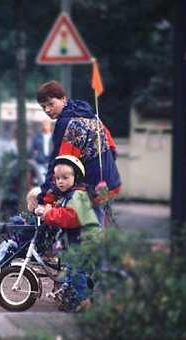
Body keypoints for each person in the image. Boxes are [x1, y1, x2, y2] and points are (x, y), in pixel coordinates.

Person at [35, 80, 121, 225]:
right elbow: (112, 149)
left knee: (86, 229)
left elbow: (60, 163)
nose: (48, 110)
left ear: (63, 99)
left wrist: (45, 199)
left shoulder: (66, 123)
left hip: (91, 188)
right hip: (110, 183)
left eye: (51, 104)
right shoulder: (90, 114)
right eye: (44, 107)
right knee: (99, 224)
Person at [35, 155, 99, 311]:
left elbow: (71, 217)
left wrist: (48, 214)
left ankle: (84, 303)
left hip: (85, 239)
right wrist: (49, 210)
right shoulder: (69, 194)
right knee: (71, 269)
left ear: (76, 177)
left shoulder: (77, 195)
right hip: (76, 239)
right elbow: (62, 210)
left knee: (77, 271)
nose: (60, 181)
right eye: (57, 178)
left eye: (65, 177)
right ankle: (73, 299)